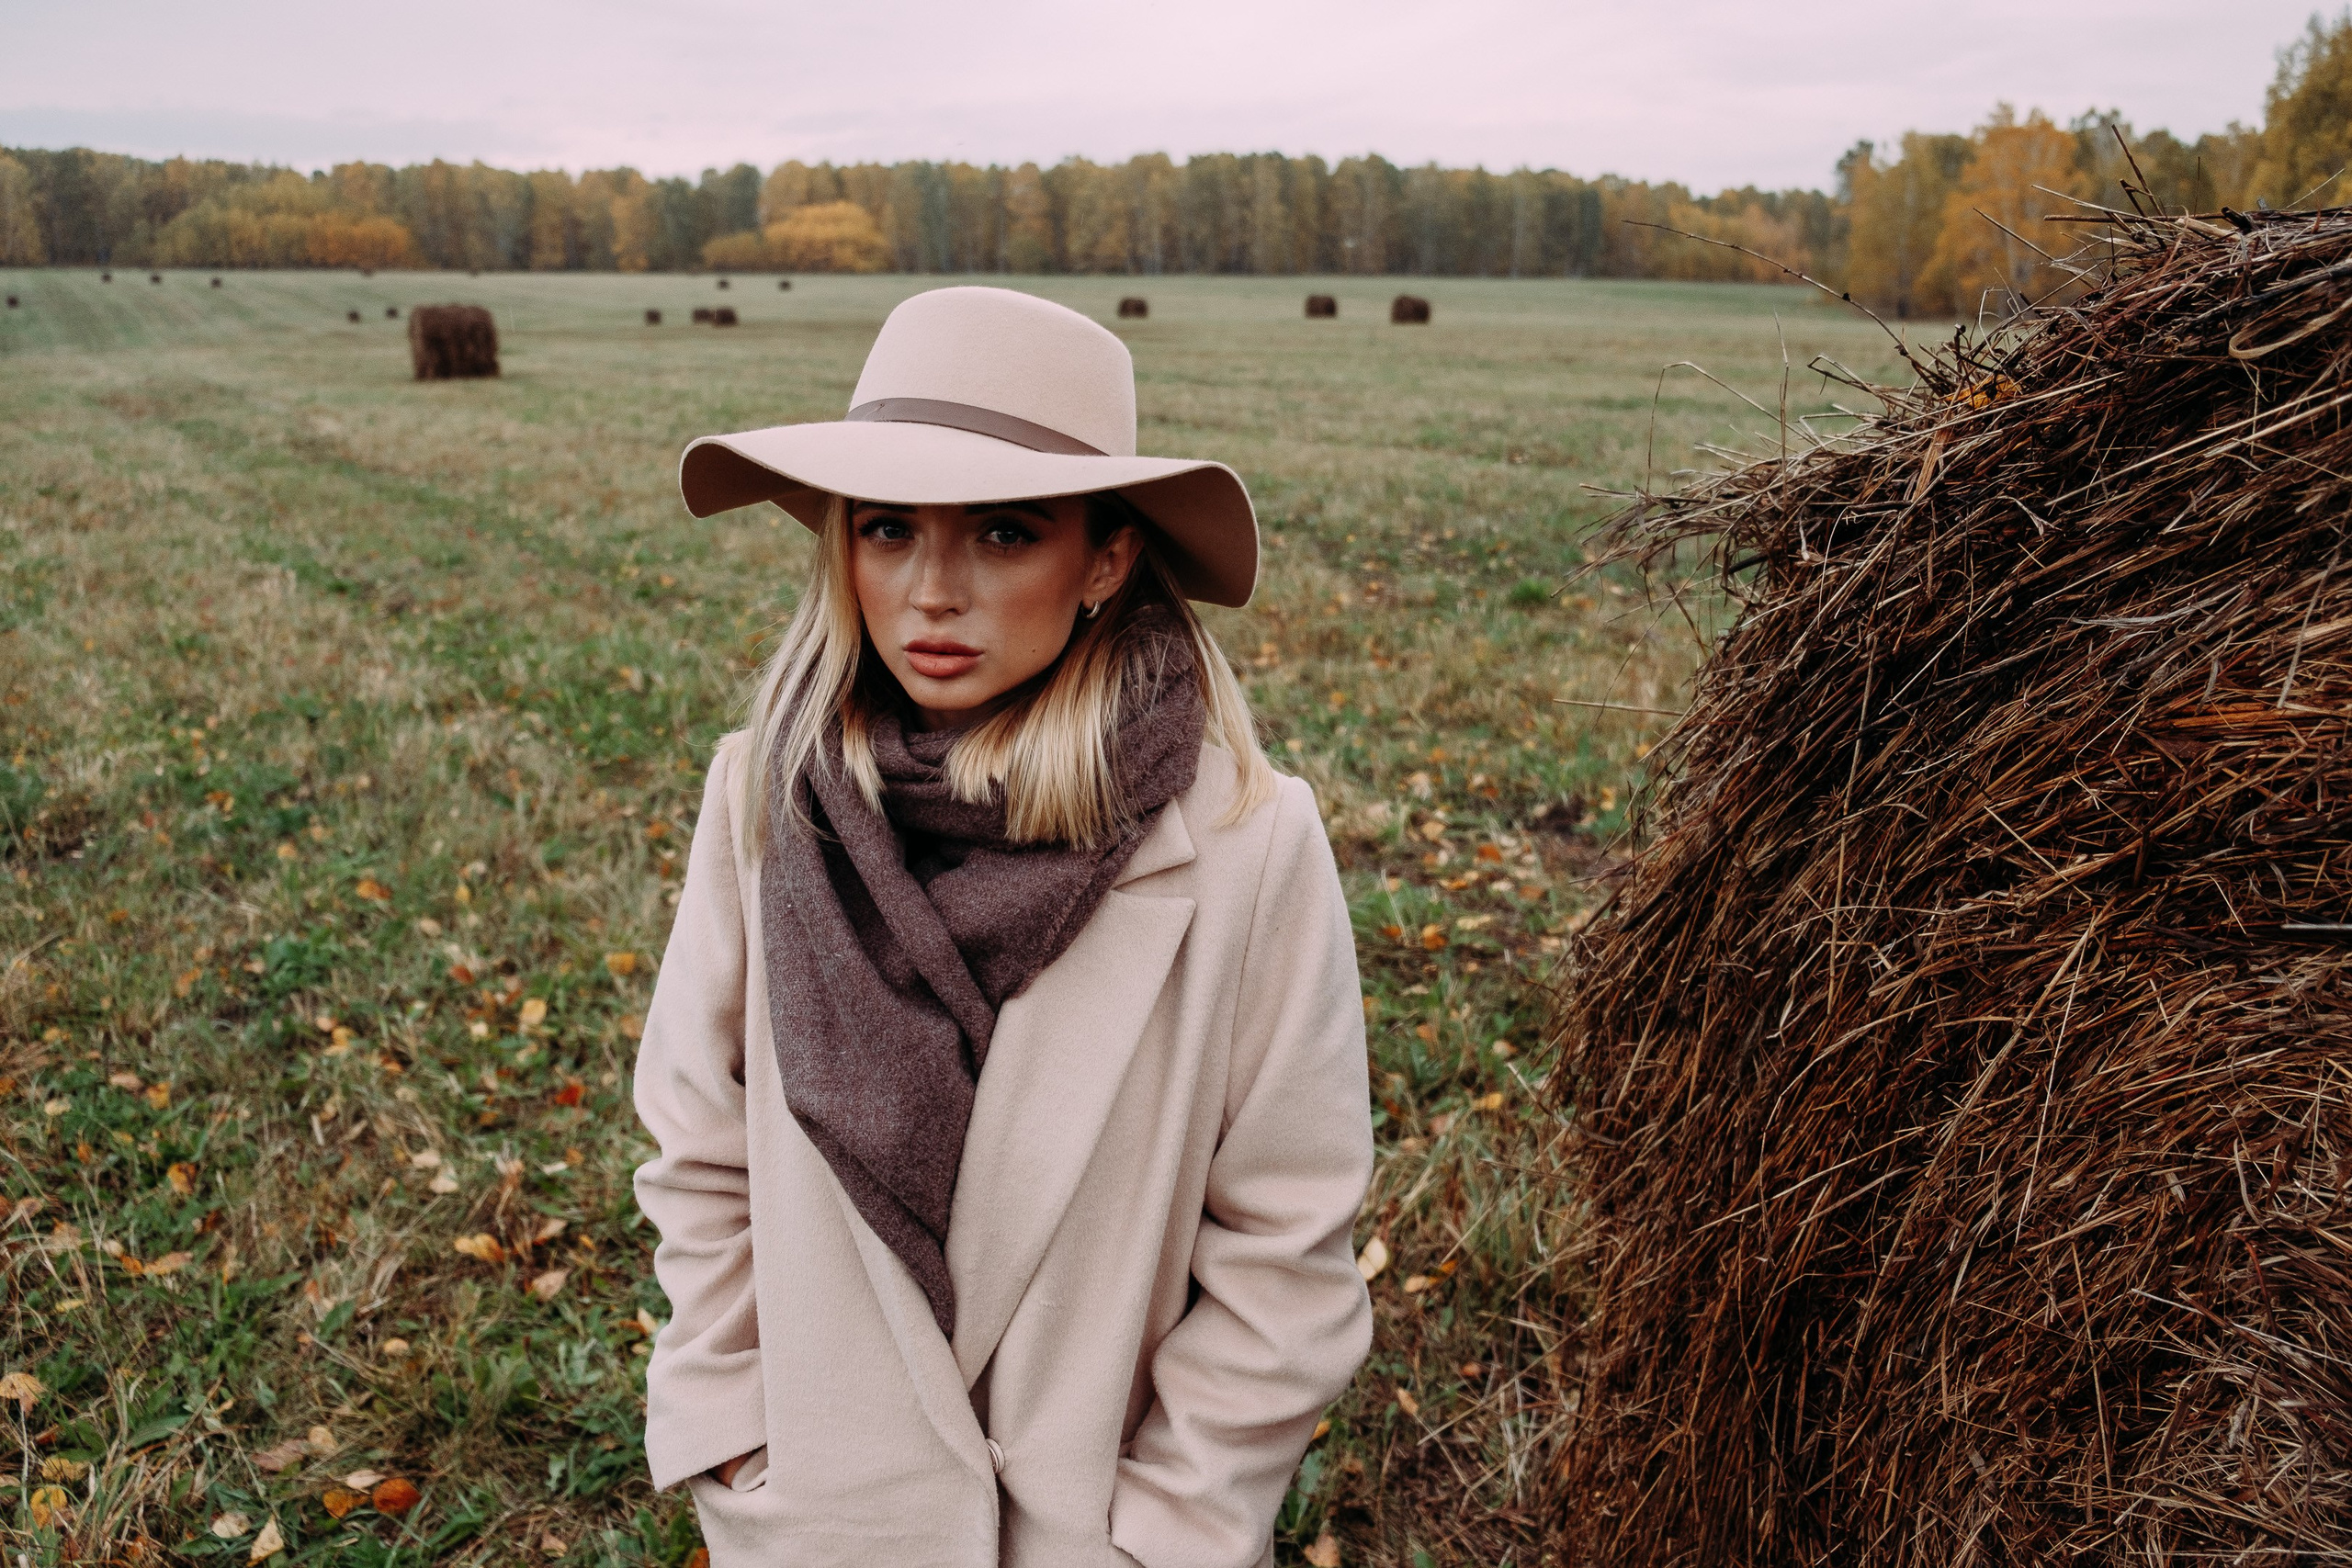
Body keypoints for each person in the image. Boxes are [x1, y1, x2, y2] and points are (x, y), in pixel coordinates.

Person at [632, 286, 1375, 1568]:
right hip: (821, 1525)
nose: (931, 593)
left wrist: (1166, 1537)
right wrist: (739, 1433)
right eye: (886, 531)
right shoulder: (762, 800)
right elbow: (702, 1149)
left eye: (1005, 532)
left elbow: (1286, 1250)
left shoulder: (1250, 845)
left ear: (1106, 556)